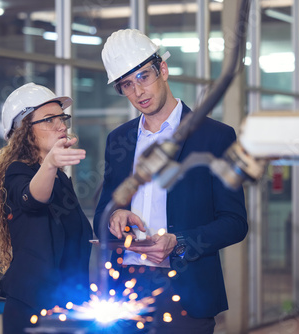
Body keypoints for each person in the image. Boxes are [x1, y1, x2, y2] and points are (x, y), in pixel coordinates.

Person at [93, 29, 248, 334]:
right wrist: (114, 215)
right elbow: (101, 214)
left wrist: (178, 243)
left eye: (143, 77)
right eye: (127, 84)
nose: (138, 92)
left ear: (162, 70)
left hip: (187, 293)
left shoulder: (215, 136)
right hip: (126, 292)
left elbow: (234, 222)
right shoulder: (118, 140)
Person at [0, 83, 93, 333]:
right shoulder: (17, 172)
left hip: (68, 306)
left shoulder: (61, 180)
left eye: (62, 117)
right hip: (32, 310)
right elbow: (32, 198)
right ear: (24, 132)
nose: (61, 125)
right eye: (49, 120)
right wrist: (51, 163)